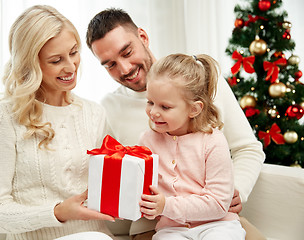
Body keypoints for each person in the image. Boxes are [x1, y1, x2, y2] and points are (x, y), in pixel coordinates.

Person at [86, 8, 266, 240]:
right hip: (155, 227)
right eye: (110, 64)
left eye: (127, 52)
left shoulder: (202, 81)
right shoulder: (109, 108)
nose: (125, 68)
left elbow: (247, 148)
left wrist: (235, 191)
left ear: (143, 37)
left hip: (216, 218)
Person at [0, 5, 115, 240]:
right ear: (31, 64)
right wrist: (57, 212)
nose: (71, 67)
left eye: (73, 52)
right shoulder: (5, 117)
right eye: (56, 60)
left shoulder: (94, 113)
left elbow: (109, 189)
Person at [138, 53, 246, 240]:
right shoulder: (147, 142)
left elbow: (219, 204)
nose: (153, 112)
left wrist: (167, 206)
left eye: (165, 107)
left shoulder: (213, 141)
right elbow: (142, 193)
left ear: (194, 109)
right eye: (150, 102)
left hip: (218, 224)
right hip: (171, 229)